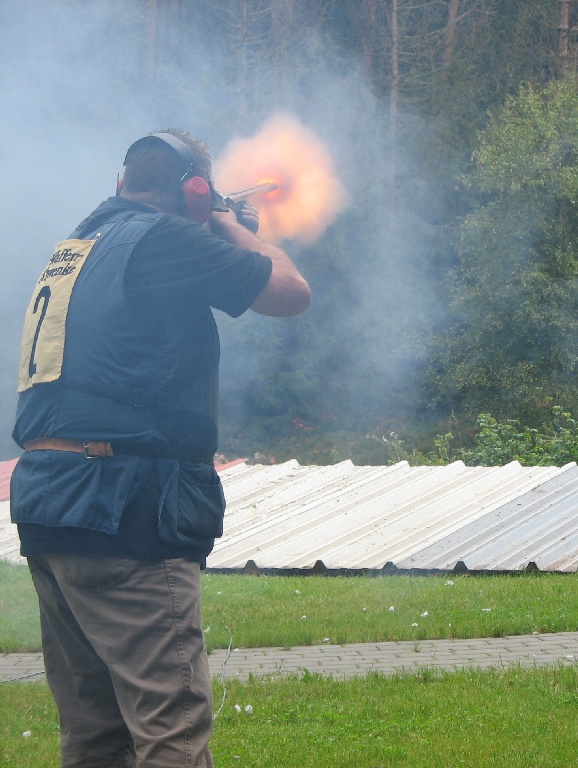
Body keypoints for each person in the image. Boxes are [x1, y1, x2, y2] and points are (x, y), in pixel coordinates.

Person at [10, 129, 311, 767]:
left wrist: (213, 222)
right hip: (125, 509)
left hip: (53, 506)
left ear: (123, 183)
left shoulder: (79, 245)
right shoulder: (163, 238)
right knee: (171, 726)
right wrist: (228, 225)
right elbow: (290, 291)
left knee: (93, 734)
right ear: (196, 192)